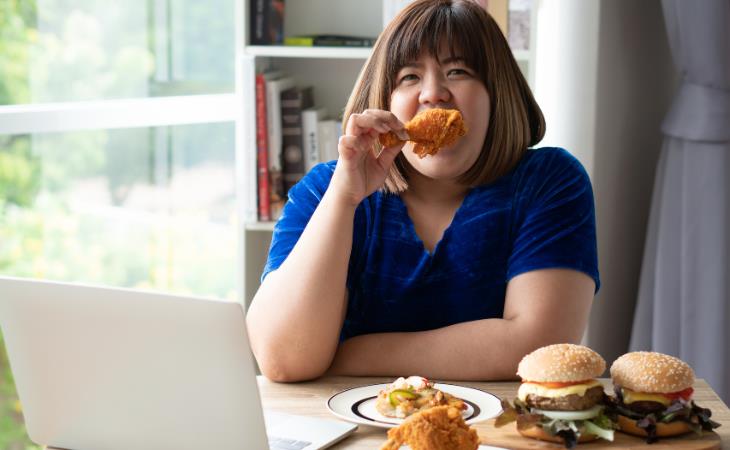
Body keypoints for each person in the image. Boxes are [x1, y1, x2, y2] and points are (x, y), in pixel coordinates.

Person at [246, 0, 599, 382]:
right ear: (383, 102)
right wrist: (344, 199)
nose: (433, 93)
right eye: (409, 77)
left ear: (498, 96)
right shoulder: (326, 190)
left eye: (458, 70)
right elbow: (283, 358)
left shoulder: (549, 181)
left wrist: (346, 355)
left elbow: (539, 347)